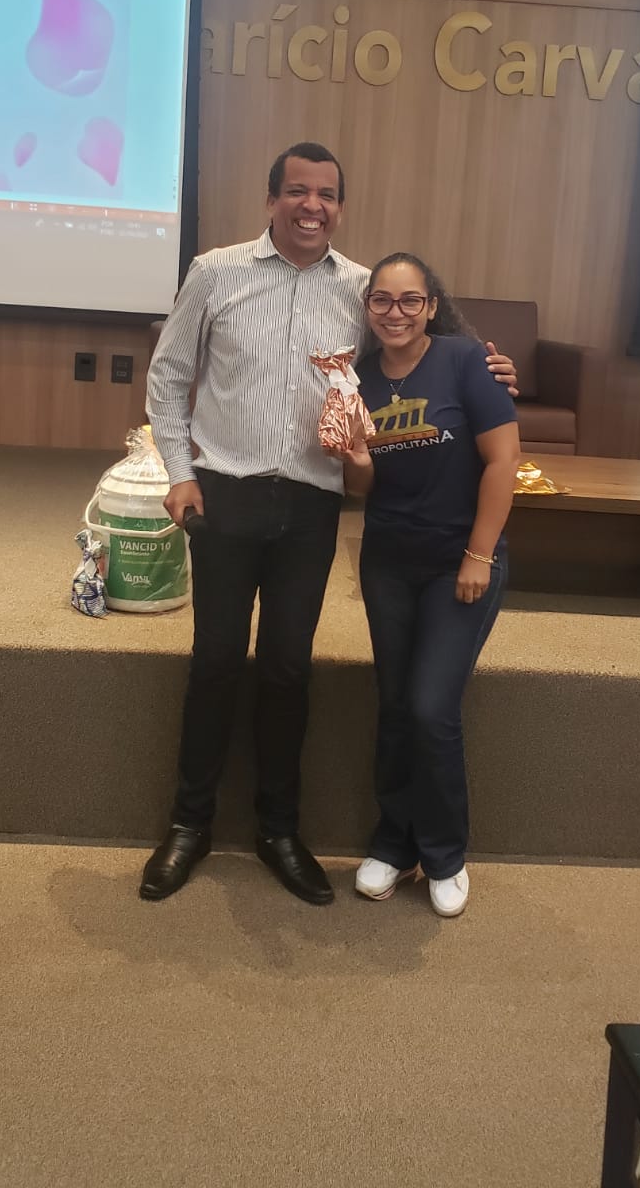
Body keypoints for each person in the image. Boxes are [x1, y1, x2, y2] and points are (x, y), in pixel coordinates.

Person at [141, 143, 517, 905]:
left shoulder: (360, 290)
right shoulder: (214, 273)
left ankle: (279, 831)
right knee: (216, 661)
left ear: (341, 208)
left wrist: (492, 368)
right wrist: (179, 472)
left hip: (312, 506)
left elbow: (425, 343)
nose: (312, 206)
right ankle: (189, 824)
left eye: (327, 195)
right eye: (297, 191)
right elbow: (170, 375)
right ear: (271, 199)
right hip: (224, 494)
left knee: (288, 669)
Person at [337, 253, 520, 918]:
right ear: (368, 309)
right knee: (394, 705)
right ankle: (393, 842)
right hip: (387, 559)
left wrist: (478, 555)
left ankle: (444, 854)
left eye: (409, 300)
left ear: (431, 306)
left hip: (458, 561)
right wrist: (357, 458)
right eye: (381, 301)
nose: (395, 313)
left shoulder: (466, 361)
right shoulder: (357, 379)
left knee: (430, 708)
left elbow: (504, 461)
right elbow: (362, 487)